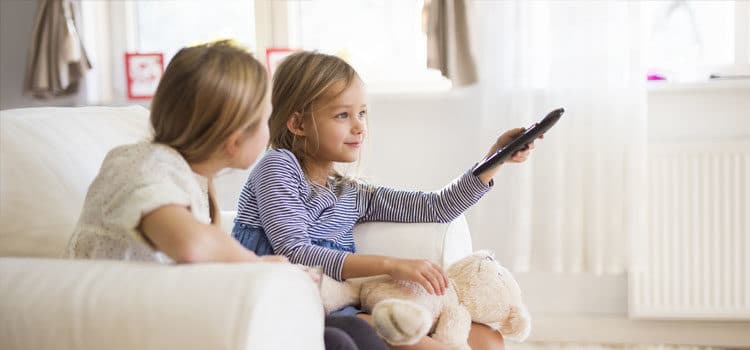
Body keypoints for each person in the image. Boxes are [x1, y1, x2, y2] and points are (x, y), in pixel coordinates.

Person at [64, 41, 384, 350]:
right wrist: (256, 264)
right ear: (234, 139)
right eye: (265, 119)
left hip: (177, 313)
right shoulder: (142, 165)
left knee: (354, 332)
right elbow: (191, 244)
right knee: (338, 342)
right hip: (127, 318)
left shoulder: (195, 178)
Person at [232, 51, 539, 350]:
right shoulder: (278, 166)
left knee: (488, 339)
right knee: (410, 339)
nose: (359, 126)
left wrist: (495, 159)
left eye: (362, 113)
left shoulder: (352, 194)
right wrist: (392, 265)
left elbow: (437, 207)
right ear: (298, 124)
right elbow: (295, 252)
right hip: (284, 304)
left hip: (341, 309)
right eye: (342, 115)